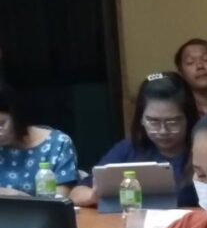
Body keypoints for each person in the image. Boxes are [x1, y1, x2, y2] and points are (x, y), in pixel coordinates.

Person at [70, 72, 199, 208]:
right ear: (141, 119)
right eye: (153, 121)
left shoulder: (203, 150)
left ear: (188, 118)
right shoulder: (129, 149)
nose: (163, 130)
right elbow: (76, 193)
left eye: (173, 122)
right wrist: (94, 196)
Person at [0, 83, 77, 197]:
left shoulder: (57, 144)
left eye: (1, 124)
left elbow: (59, 202)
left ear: (16, 116)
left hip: (40, 209)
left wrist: (18, 197)